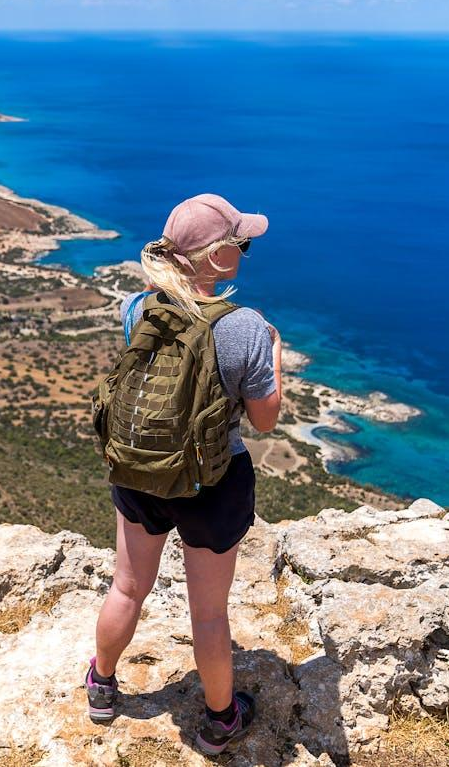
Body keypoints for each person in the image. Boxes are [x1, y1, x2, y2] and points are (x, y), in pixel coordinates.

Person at [84, 193, 283, 757]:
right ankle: (222, 719)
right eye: (240, 243)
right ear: (217, 259)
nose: (245, 251)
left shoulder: (135, 308)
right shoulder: (245, 327)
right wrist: (277, 359)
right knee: (209, 614)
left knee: (126, 585)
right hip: (212, 484)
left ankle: (101, 685)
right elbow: (265, 421)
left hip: (140, 473)